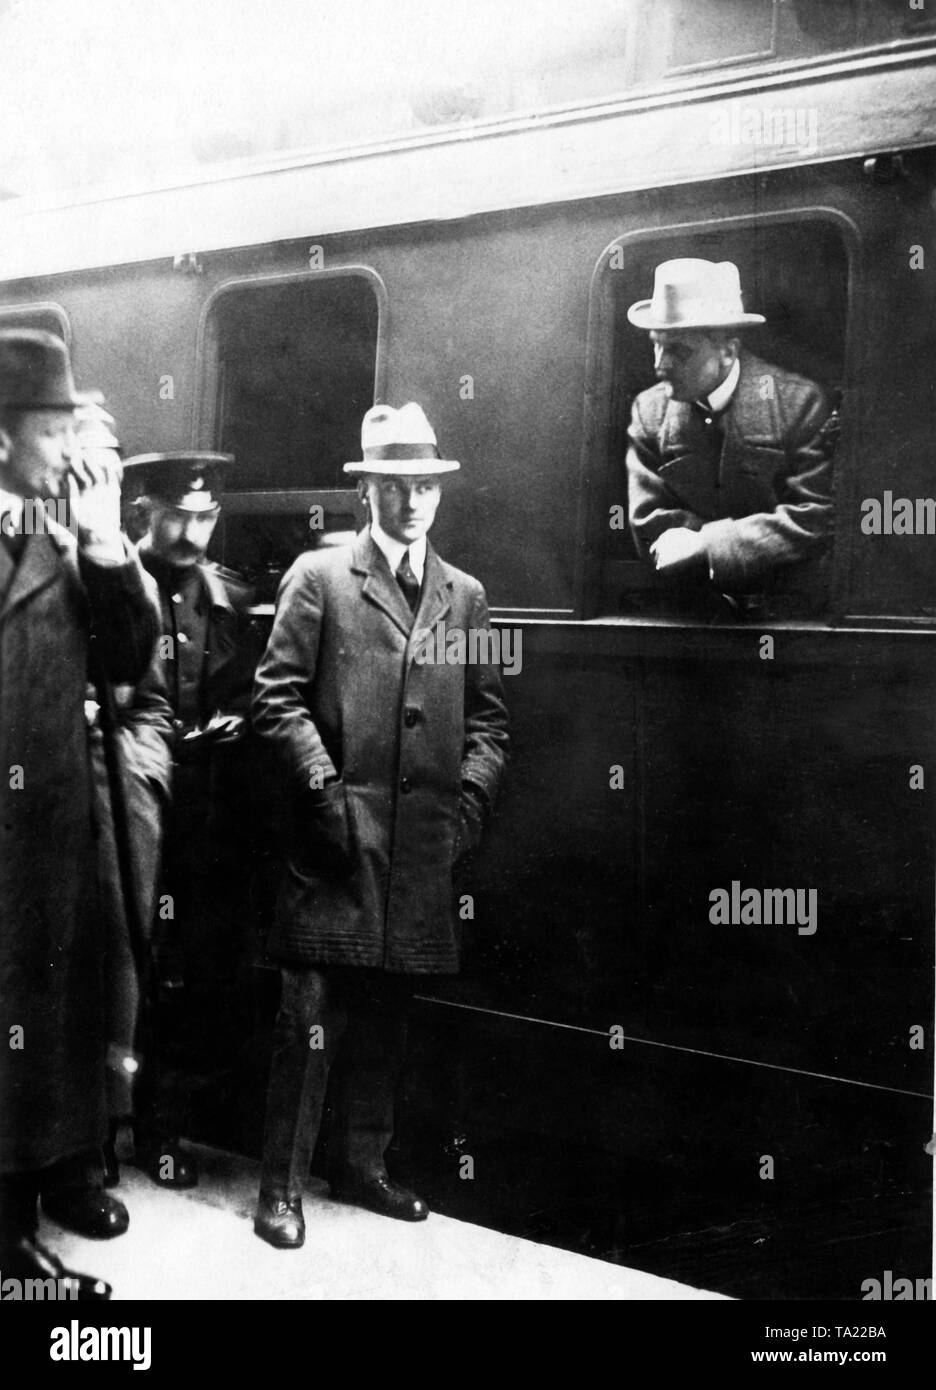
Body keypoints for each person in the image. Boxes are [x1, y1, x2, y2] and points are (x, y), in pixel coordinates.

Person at [251, 402, 509, 1248]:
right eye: (395, 485)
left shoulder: (463, 597)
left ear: (439, 492)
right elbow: (276, 701)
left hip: (419, 850)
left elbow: (490, 726)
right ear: (368, 491)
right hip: (335, 841)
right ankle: (281, 1190)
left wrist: (463, 813)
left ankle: (362, 1166)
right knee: (310, 1016)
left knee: (389, 1013)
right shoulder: (320, 578)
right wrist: (324, 799)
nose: (412, 501)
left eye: (425, 486)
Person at [0, 330, 158, 1299]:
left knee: (53, 1018)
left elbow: (128, 658)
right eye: (53, 429)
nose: (72, 448)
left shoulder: (62, 535)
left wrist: (107, 546)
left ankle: (52, 1175)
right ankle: (9, 1247)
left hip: (50, 826)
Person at [118, 452, 264, 1189]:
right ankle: (92, 1134)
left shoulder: (229, 598)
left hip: (202, 815)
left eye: (205, 517)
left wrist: (231, 722)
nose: (192, 531)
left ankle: (161, 1131)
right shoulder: (114, 585)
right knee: (117, 958)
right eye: (177, 514)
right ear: (145, 513)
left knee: (188, 968)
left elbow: (246, 691)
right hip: (126, 799)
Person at [625, 258, 836, 613]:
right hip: (695, 617)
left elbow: (816, 515)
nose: (659, 365)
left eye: (679, 350)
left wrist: (709, 544)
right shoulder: (649, 412)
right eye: (656, 344)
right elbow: (648, 520)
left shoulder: (799, 402)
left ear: (728, 350)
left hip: (790, 616)